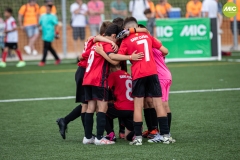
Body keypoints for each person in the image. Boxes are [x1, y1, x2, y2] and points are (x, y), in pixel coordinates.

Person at [109, 17, 175, 145]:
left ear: (125, 29)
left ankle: (138, 138)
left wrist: (128, 56)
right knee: (159, 105)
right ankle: (166, 135)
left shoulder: (126, 40)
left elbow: (116, 59)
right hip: (152, 73)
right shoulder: (147, 35)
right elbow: (166, 51)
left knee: (138, 106)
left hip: (139, 74)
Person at [56, 21, 118, 140]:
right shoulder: (97, 41)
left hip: (86, 71)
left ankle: (87, 134)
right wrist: (109, 42)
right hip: (88, 71)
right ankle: (88, 134)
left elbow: (82, 55)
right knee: (90, 105)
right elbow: (93, 45)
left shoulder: (95, 42)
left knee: (89, 104)